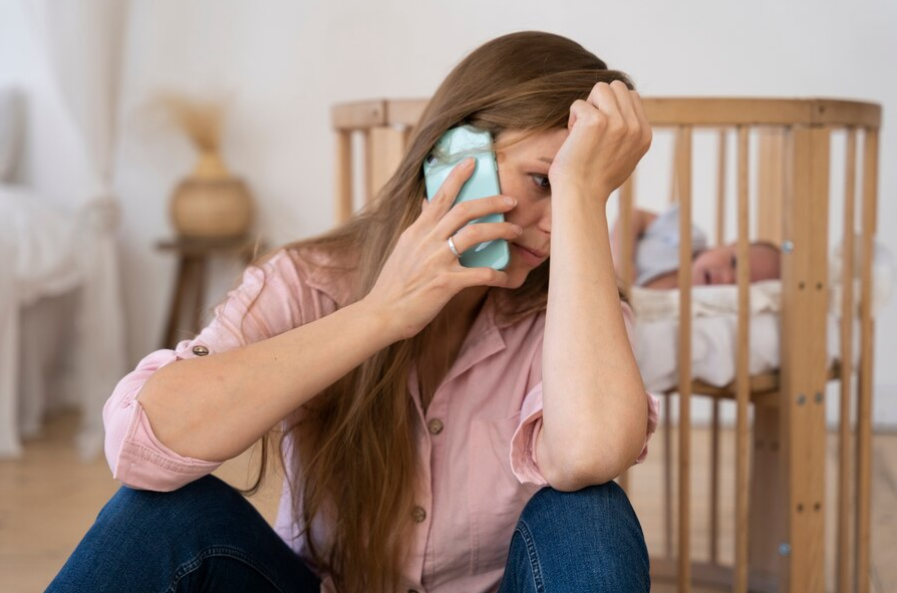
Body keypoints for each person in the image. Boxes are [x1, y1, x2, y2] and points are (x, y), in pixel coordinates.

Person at [47, 31, 660, 593]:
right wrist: (380, 314)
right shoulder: (307, 282)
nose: (556, 230)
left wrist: (581, 191)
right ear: (451, 154)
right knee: (159, 512)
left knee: (590, 510)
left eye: (585, 193)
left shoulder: (578, 318)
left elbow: (588, 454)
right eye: (544, 182)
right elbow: (139, 445)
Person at [611, 204, 781, 289]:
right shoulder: (689, 237)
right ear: (725, 245)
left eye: (740, 285)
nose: (728, 278)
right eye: (735, 263)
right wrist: (622, 259)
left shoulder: (692, 309)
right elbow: (632, 215)